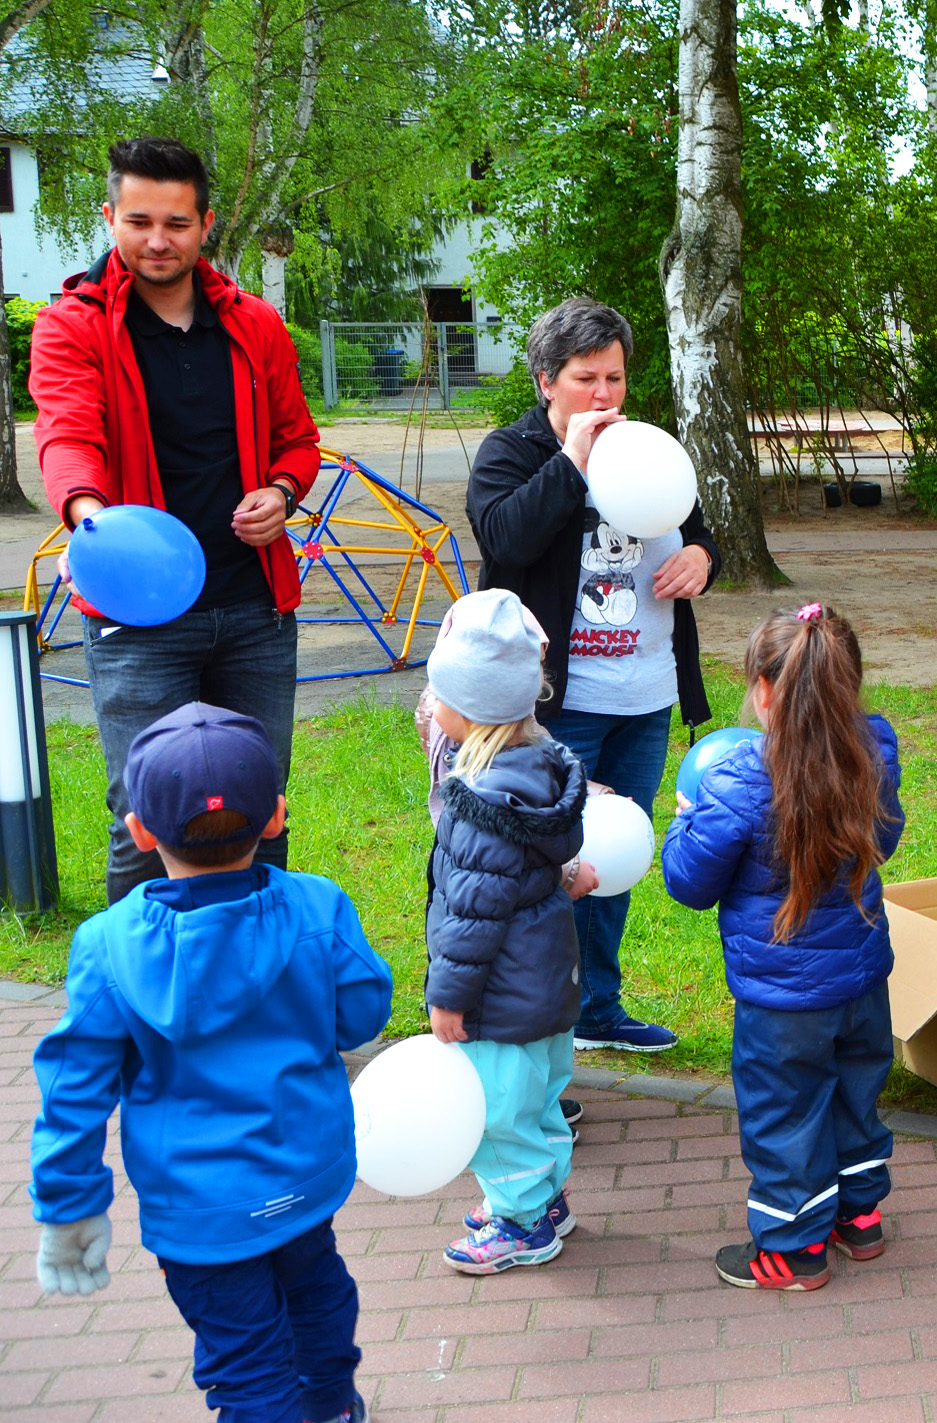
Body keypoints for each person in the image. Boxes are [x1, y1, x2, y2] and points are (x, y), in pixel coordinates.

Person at [30, 703, 392, 1423]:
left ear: (138, 831)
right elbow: (362, 1013)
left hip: (198, 1211)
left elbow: (74, 1092)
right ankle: (330, 1407)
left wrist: (70, 1207)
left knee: (245, 1362)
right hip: (303, 1178)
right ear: (275, 817)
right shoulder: (316, 908)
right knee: (321, 1299)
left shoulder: (108, 945)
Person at [32, 137, 320, 905]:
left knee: (259, 805)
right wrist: (92, 527)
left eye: (176, 223)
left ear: (205, 225)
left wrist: (283, 492)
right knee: (147, 813)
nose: (157, 240)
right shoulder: (72, 325)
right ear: (110, 218)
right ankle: (133, 1011)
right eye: (138, 221)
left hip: (254, 607)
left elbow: (297, 437)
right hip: (137, 612)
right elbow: (66, 434)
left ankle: (260, 988)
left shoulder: (254, 323)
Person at [466, 296, 721, 1054]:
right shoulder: (511, 453)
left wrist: (703, 559)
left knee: (614, 856)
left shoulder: (647, 446)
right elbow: (505, 540)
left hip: (645, 695)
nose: (605, 396)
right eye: (586, 378)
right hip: (558, 703)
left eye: (615, 377)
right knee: (549, 866)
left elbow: (700, 528)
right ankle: (543, 1030)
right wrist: (573, 461)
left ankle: (598, 1010)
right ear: (547, 380)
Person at [662, 602, 904, 1291]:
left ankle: (794, 1248)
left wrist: (685, 822)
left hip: (780, 1000)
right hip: (860, 978)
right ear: (848, 686)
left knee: (785, 1112)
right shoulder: (874, 753)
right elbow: (882, 839)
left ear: (763, 691)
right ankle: (860, 1218)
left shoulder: (735, 782)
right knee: (856, 1094)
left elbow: (688, 882)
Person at [423, 589, 589, 1272]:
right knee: (541, 1097)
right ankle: (546, 1196)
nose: (430, 707)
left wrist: (450, 996)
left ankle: (521, 1224)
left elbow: (472, 912)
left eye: (436, 695)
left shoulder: (477, 800)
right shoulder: (541, 770)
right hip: (548, 984)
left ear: (467, 708)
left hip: (502, 995)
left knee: (496, 1112)